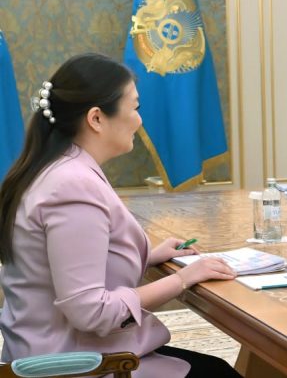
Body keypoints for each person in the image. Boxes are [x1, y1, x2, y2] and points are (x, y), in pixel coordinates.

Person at [0, 53, 242, 377]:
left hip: (51, 350)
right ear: (97, 118)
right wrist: (182, 279)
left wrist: (148, 256)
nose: (140, 120)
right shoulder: (71, 185)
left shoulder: (56, 169)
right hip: (72, 366)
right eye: (135, 107)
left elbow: (62, 263)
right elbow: (92, 312)